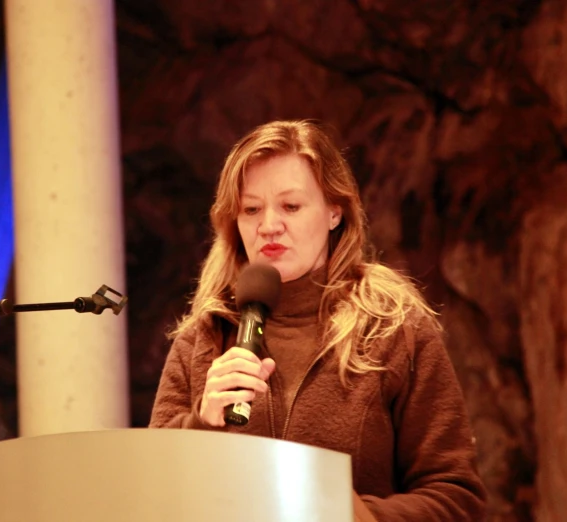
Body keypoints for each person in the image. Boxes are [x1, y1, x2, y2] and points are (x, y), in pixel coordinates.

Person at [149, 120, 487, 521]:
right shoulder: (202, 338)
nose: (268, 225)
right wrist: (201, 424)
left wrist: (354, 516)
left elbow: (456, 498)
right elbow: (151, 491)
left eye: (291, 206)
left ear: (334, 212)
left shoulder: (394, 328)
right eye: (251, 209)